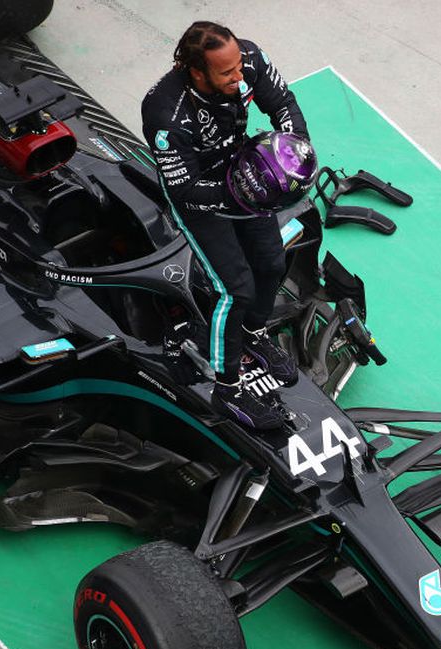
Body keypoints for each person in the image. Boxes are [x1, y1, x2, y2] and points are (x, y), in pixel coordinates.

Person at [142, 21, 311, 429]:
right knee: (235, 290)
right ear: (196, 71)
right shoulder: (164, 112)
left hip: (244, 173)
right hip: (200, 197)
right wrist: (241, 194)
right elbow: (184, 189)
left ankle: (253, 334)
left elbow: (283, 103)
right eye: (227, 72)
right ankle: (227, 388)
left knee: (271, 264)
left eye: (238, 66)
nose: (239, 76)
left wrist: (295, 150)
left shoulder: (247, 58)